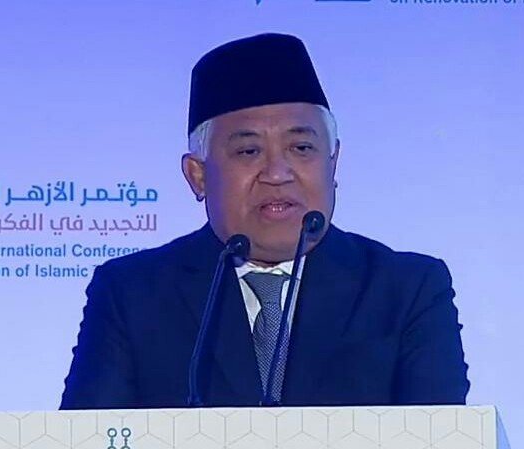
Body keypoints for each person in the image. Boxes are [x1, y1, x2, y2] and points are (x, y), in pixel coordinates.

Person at [60, 33, 468, 410]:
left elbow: (442, 447)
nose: (277, 173)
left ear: (333, 163)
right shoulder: (132, 293)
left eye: (301, 148)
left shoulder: (406, 289)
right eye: (248, 152)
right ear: (198, 176)